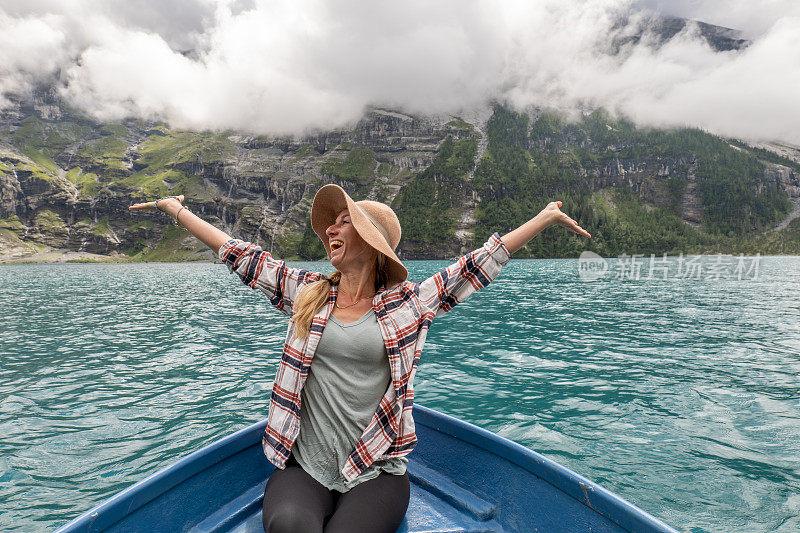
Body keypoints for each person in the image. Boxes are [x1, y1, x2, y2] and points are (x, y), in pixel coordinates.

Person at [129, 184, 590, 533]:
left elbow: (477, 264)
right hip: (306, 464)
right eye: (333, 223)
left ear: (371, 243)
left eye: (343, 223)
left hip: (377, 470)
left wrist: (544, 218)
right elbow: (241, 256)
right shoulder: (307, 292)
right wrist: (178, 210)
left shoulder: (408, 304)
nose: (330, 228)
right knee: (290, 524)